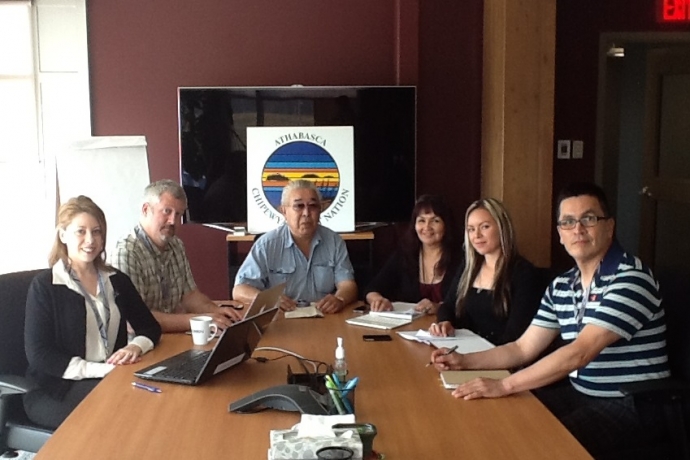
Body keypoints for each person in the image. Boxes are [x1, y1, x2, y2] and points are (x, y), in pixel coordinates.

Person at [430, 183, 670, 458]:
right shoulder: (562, 285)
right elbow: (522, 348)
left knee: (538, 442)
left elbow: (579, 353)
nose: (577, 229)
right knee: (498, 418)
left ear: (609, 226)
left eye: (589, 219)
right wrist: (464, 362)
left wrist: (504, 385)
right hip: (583, 393)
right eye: (568, 222)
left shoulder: (631, 278)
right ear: (559, 234)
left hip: (634, 403)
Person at [23, 196, 162, 429]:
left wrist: (135, 346)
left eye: (97, 232)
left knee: (153, 405)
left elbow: (150, 328)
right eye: (81, 231)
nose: (90, 240)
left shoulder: (116, 281)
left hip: (110, 378)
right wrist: (101, 370)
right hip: (55, 388)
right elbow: (39, 354)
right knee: (120, 418)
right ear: (63, 235)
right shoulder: (46, 286)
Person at [110, 179, 242, 332]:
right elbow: (134, 321)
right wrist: (199, 321)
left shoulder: (176, 245)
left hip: (171, 338)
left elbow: (190, 295)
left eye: (178, 214)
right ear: (146, 210)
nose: (173, 221)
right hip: (139, 347)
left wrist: (215, 311)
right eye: (167, 211)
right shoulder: (126, 252)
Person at [429, 198, 543, 345]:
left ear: (502, 228)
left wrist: (476, 360)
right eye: (471, 229)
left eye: (484, 227)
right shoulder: (469, 267)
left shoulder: (523, 274)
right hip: (462, 351)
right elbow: (448, 306)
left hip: (499, 359)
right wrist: (445, 322)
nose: (476, 235)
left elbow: (515, 336)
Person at [233, 180, 357, 313]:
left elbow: (348, 285)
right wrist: (269, 299)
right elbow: (240, 290)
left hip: (324, 318)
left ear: (320, 210)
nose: (306, 213)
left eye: (313, 206)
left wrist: (339, 299)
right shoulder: (266, 245)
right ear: (284, 211)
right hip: (281, 320)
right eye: (299, 206)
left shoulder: (334, 242)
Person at [365, 194, 460, 315]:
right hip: (412, 329)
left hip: (449, 328)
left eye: (435, 221)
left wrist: (439, 307)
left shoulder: (461, 258)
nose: (427, 227)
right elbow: (372, 288)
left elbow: (467, 303)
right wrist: (377, 300)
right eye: (421, 220)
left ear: (446, 225)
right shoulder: (405, 254)